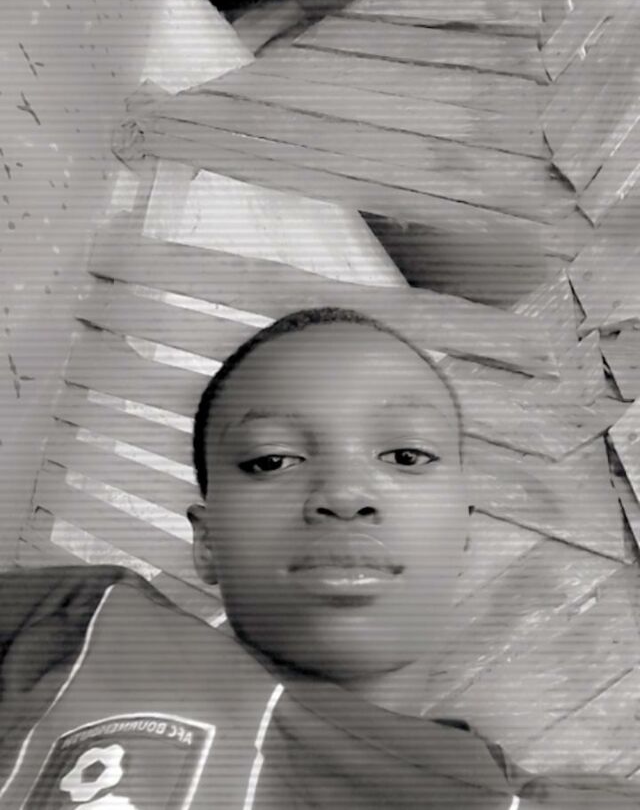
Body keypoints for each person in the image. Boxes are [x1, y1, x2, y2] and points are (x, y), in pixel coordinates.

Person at [1, 307, 638, 809]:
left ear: (462, 533)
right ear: (207, 540)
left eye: (406, 456)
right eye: (272, 460)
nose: (344, 494)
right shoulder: (78, 621)